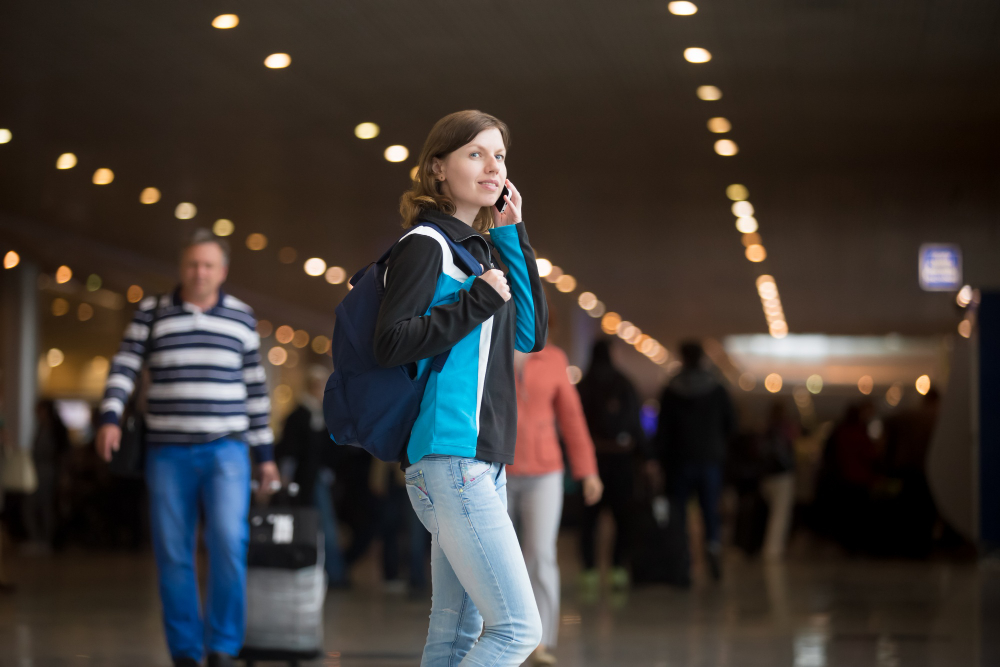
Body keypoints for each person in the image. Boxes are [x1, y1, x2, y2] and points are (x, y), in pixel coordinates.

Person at [374, 109, 548, 666]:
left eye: (499, 155)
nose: (493, 165)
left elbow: (530, 334)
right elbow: (391, 341)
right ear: (437, 169)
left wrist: (513, 236)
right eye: (475, 153)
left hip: (480, 460)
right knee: (517, 630)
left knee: (454, 637)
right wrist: (476, 300)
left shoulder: (480, 251)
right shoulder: (427, 244)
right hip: (453, 455)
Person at [96, 229, 279, 667]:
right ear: (182, 268)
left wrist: (266, 458)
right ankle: (185, 652)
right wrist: (109, 416)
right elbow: (124, 365)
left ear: (223, 271)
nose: (200, 273)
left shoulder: (241, 317)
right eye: (193, 264)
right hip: (168, 451)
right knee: (173, 551)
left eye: (209, 265)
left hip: (227, 452)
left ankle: (223, 647)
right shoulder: (153, 312)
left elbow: (256, 391)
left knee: (228, 544)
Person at [507, 345, 603, 666]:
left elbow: (571, 417)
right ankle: (496, 635)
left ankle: (540, 642)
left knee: (541, 554)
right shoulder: (486, 346)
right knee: (495, 558)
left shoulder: (554, 358)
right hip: (495, 468)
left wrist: (587, 470)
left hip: (546, 470)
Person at [654, 340, 736, 581]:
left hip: (679, 462)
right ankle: (712, 546)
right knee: (709, 510)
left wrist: (659, 459)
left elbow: (663, 431)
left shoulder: (671, 390)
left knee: (679, 513)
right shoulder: (717, 389)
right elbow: (731, 424)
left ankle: (683, 560)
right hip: (710, 460)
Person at [576, 338, 646, 592]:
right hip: (621, 461)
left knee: (589, 521)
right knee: (622, 518)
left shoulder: (584, 385)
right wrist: (647, 457)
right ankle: (617, 567)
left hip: (591, 460)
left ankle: (589, 570)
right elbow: (636, 426)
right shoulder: (624, 384)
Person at [275, 365, 347, 588]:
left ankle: (331, 573)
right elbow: (288, 450)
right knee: (309, 526)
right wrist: (285, 477)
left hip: (318, 479)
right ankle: (319, 572)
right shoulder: (298, 415)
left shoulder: (324, 414)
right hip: (302, 481)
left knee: (323, 527)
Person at [759, 400, 799, 560]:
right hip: (781, 476)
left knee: (773, 514)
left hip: (767, 476)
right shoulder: (783, 430)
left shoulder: (766, 429)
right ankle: (773, 550)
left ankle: (770, 549)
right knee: (780, 514)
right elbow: (784, 455)